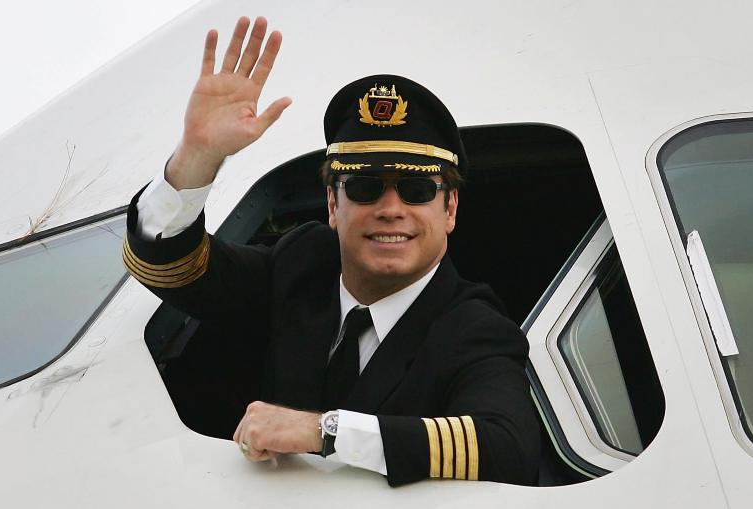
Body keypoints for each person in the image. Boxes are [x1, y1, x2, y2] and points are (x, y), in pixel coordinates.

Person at [122, 16, 539, 486]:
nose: (390, 209)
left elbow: (510, 448)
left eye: (418, 189)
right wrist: (197, 156)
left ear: (450, 209)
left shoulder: (473, 326)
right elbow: (172, 269)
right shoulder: (302, 265)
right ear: (332, 205)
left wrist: (325, 432)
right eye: (363, 187)